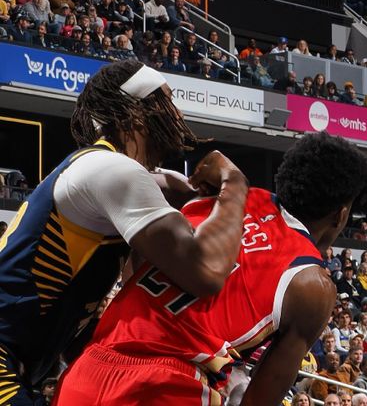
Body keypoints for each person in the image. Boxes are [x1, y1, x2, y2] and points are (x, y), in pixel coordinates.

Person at [56, 132, 367, 406]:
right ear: (341, 215)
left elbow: (139, 251)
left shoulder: (222, 198)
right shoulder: (312, 283)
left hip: (89, 370)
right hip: (165, 386)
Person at [0, 61, 249, 405]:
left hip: (22, 363)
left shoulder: (103, 170)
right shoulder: (113, 170)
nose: (177, 113)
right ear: (133, 112)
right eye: (167, 101)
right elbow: (205, 272)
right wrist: (235, 183)